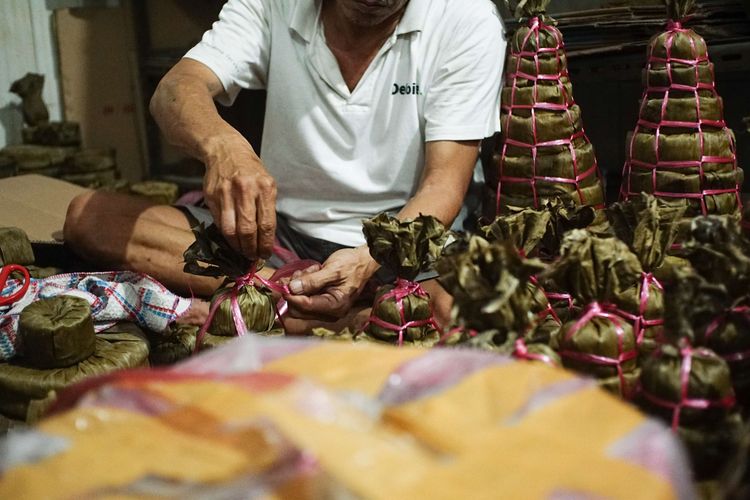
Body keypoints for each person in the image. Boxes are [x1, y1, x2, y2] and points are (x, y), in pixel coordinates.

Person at [64, 0, 506, 333]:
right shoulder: (275, 4)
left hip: (400, 244)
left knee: (451, 312)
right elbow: (176, 89)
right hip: (274, 236)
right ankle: (321, 308)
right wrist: (224, 149)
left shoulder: (465, 19)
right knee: (91, 219)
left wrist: (369, 260)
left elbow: (443, 185)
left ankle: (274, 305)